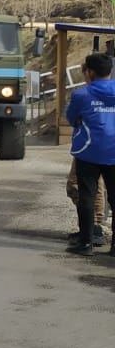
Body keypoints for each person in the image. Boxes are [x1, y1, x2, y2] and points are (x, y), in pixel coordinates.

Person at [64, 53, 115, 255]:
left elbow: (71, 118)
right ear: (110, 71)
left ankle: (86, 243)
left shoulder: (81, 95)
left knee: (87, 195)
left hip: (88, 151)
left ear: (90, 72)